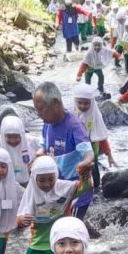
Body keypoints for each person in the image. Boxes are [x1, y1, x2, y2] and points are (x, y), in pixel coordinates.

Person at [17, 155, 91, 254]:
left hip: (60, 243)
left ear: (56, 175)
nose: (47, 184)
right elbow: (19, 219)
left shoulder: (65, 188)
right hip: (37, 244)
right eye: (42, 180)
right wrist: (22, 220)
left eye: (51, 179)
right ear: (34, 179)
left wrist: (85, 173)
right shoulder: (31, 193)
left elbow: (85, 187)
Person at [32, 82, 95, 219]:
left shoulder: (74, 125)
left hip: (77, 191)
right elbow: (44, 147)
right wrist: (38, 156)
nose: (38, 114)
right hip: (58, 190)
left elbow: (88, 151)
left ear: (55, 103)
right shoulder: (47, 125)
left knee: (71, 229)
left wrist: (87, 162)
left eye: (41, 109)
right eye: (36, 110)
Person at [71, 83, 117, 191]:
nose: (83, 106)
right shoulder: (71, 115)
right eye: (79, 103)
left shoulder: (95, 116)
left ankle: (96, 187)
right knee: (77, 167)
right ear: (75, 101)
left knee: (94, 166)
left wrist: (109, 155)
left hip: (92, 146)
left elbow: (101, 136)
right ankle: (78, 186)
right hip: (76, 146)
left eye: (86, 103)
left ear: (92, 103)